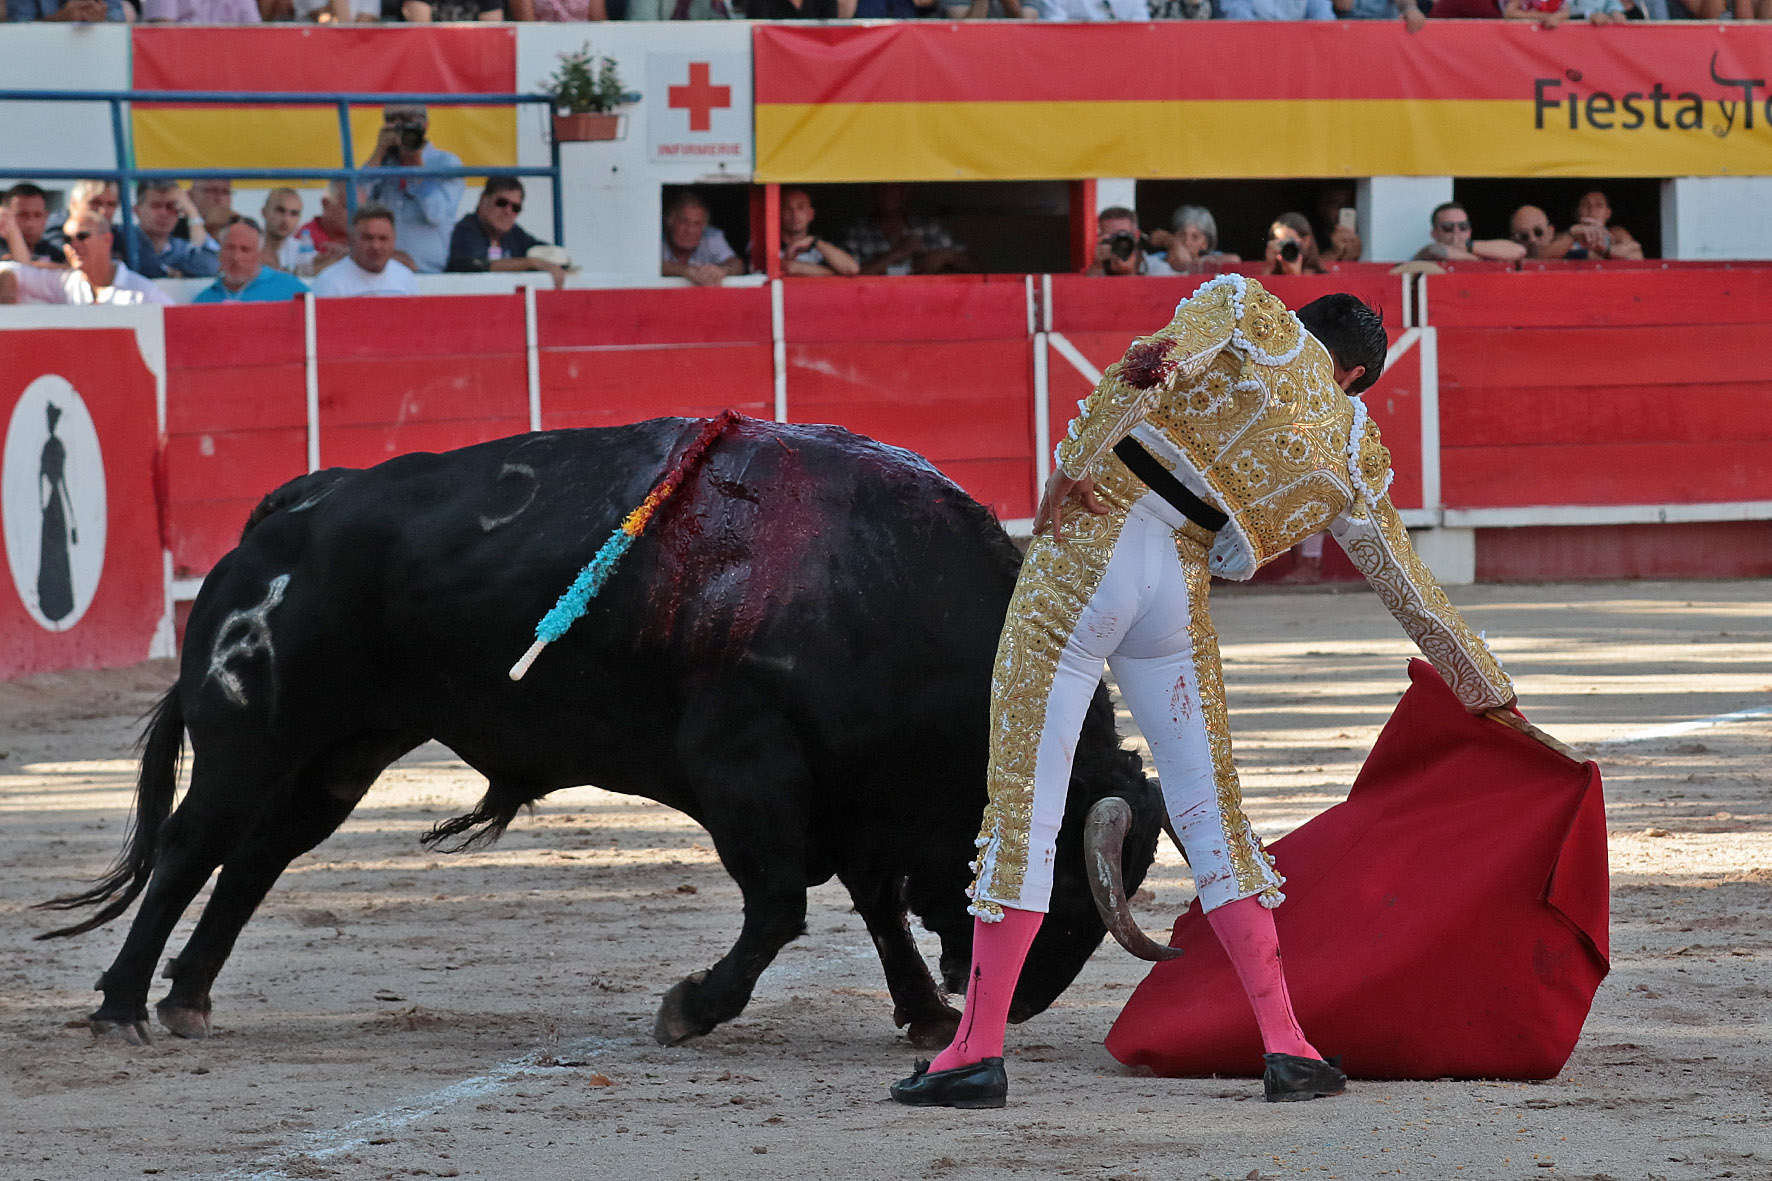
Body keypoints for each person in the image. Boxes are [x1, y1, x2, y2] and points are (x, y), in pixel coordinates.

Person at [888, 276, 1515, 1110]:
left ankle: (975, 1050)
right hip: (1176, 592)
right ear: (1357, 380)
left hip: (1097, 536)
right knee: (1213, 811)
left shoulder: (1251, 310)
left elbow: (1153, 364)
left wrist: (1071, 469)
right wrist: (1489, 692)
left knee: (1026, 800)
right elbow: (1411, 588)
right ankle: (1288, 1044)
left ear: (1302, 324)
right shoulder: (1354, 449)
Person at [360, 104, 465, 275]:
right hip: (382, 271)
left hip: (428, 271)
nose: (399, 126)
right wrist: (378, 153)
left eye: (407, 120)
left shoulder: (446, 162)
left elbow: (436, 214)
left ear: (425, 125)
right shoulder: (382, 163)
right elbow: (355, 203)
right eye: (391, 120)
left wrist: (416, 166)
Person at [0, 209, 173, 306]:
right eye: (67, 239)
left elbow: (179, 327)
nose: (73, 245)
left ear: (107, 240)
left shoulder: (144, 293)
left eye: (82, 236)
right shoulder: (66, 283)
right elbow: (11, 271)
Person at [446, 176, 568, 288]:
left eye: (515, 208)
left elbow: (546, 251)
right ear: (483, 200)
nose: (508, 211)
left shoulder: (514, 233)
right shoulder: (466, 229)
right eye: (502, 203)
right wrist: (531, 263)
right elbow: (475, 265)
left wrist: (554, 262)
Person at [845, 183, 973, 277]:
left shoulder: (928, 228)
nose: (888, 194)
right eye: (882, 188)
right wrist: (895, 254)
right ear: (872, 193)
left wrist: (946, 256)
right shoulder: (859, 231)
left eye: (894, 188)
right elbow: (849, 277)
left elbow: (977, 268)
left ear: (906, 192)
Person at [307, 203, 419, 298]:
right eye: (368, 238)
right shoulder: (329, 283)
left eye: (383, 238)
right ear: (352, 240)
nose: (375, 246)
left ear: (394, 241)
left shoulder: (405, 278)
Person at [192, 218, 310, 303]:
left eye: (245, 250)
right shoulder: (204, 300)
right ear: (220, 251)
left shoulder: (290, 289)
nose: (236, 257)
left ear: (260, 254)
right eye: (230, 248)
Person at [128, 182, 219, 279]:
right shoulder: (122, 240)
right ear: (136, 210)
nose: (163, 213)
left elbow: (210, 267)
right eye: (156, 205)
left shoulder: (181, 248)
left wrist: (192, 213)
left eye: (170, 206)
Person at [660, 190, 746, 287]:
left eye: (696, 224)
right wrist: (685, 271)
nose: (690, 230)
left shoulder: (711, 236)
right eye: (684, 222)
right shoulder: (656, 237)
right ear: (669, 221)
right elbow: (649, 265)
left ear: (704, 226)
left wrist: (722, 271)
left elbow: (737, 264)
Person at [779, 187, 859, 277]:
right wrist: (833, 273)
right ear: (778, 213)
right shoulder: (772, 247)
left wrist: (815, 241)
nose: (794, 214)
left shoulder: (821, 248)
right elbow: (789, 267)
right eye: (787, 208)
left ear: (811, 214)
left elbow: (852, 269)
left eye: (800, 208)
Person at [1545, 190, 1645, 261]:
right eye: (1585, 205)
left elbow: (1637, 256)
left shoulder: (1616, 233)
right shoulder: (1565, 236)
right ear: (1576, 213)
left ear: (1608, 213)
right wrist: (1572, 236)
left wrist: (1604, 250)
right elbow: (1541, 258)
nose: (1592, 210)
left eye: (1598, 205)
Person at [1411, 202, 1526, 263]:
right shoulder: (1428, 251)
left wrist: (1467, 246)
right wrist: (1483, 259)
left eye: (1463, 226)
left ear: (1469, 231)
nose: (1456, 232)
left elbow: (1519, 251)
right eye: (1448, 227)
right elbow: (1437, 251)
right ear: (1434, 233)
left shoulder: (1474, 249)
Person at [1084, 207, 1174, 277]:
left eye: (1123, 236)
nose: (1118, 242)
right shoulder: (1098, 270)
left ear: (1137, 236)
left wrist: (1130, 271)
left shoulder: (1158, 269)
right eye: (1111, 237)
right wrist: (1097, 266)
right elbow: (1085, 295)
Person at [1149, 205, 1240, 274]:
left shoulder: (1211, 257)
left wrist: (1194, 264)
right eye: (1181, 235)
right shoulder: (1160, 258)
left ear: (1205, 244)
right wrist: (1174, 244)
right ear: (1174, 236)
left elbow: (1234, 260)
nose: (1187, 242)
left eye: (1195, 237)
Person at [43, 179, 121, 257]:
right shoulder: (56, 229)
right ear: (74, 203)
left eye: (111, 204)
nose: (103, 211)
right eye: (95, 202)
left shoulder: (119, 234)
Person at [2, 184, 63, 263]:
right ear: (6, 216)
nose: (30, 224)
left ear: (46, 217)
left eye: (37, 215)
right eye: (22, 215)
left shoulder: (56, 253)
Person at [260, 188, 310, 272]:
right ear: (264, 212)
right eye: (280, 211)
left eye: (294, 213)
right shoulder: (246, 248)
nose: (286, 219)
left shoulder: (303, 253)